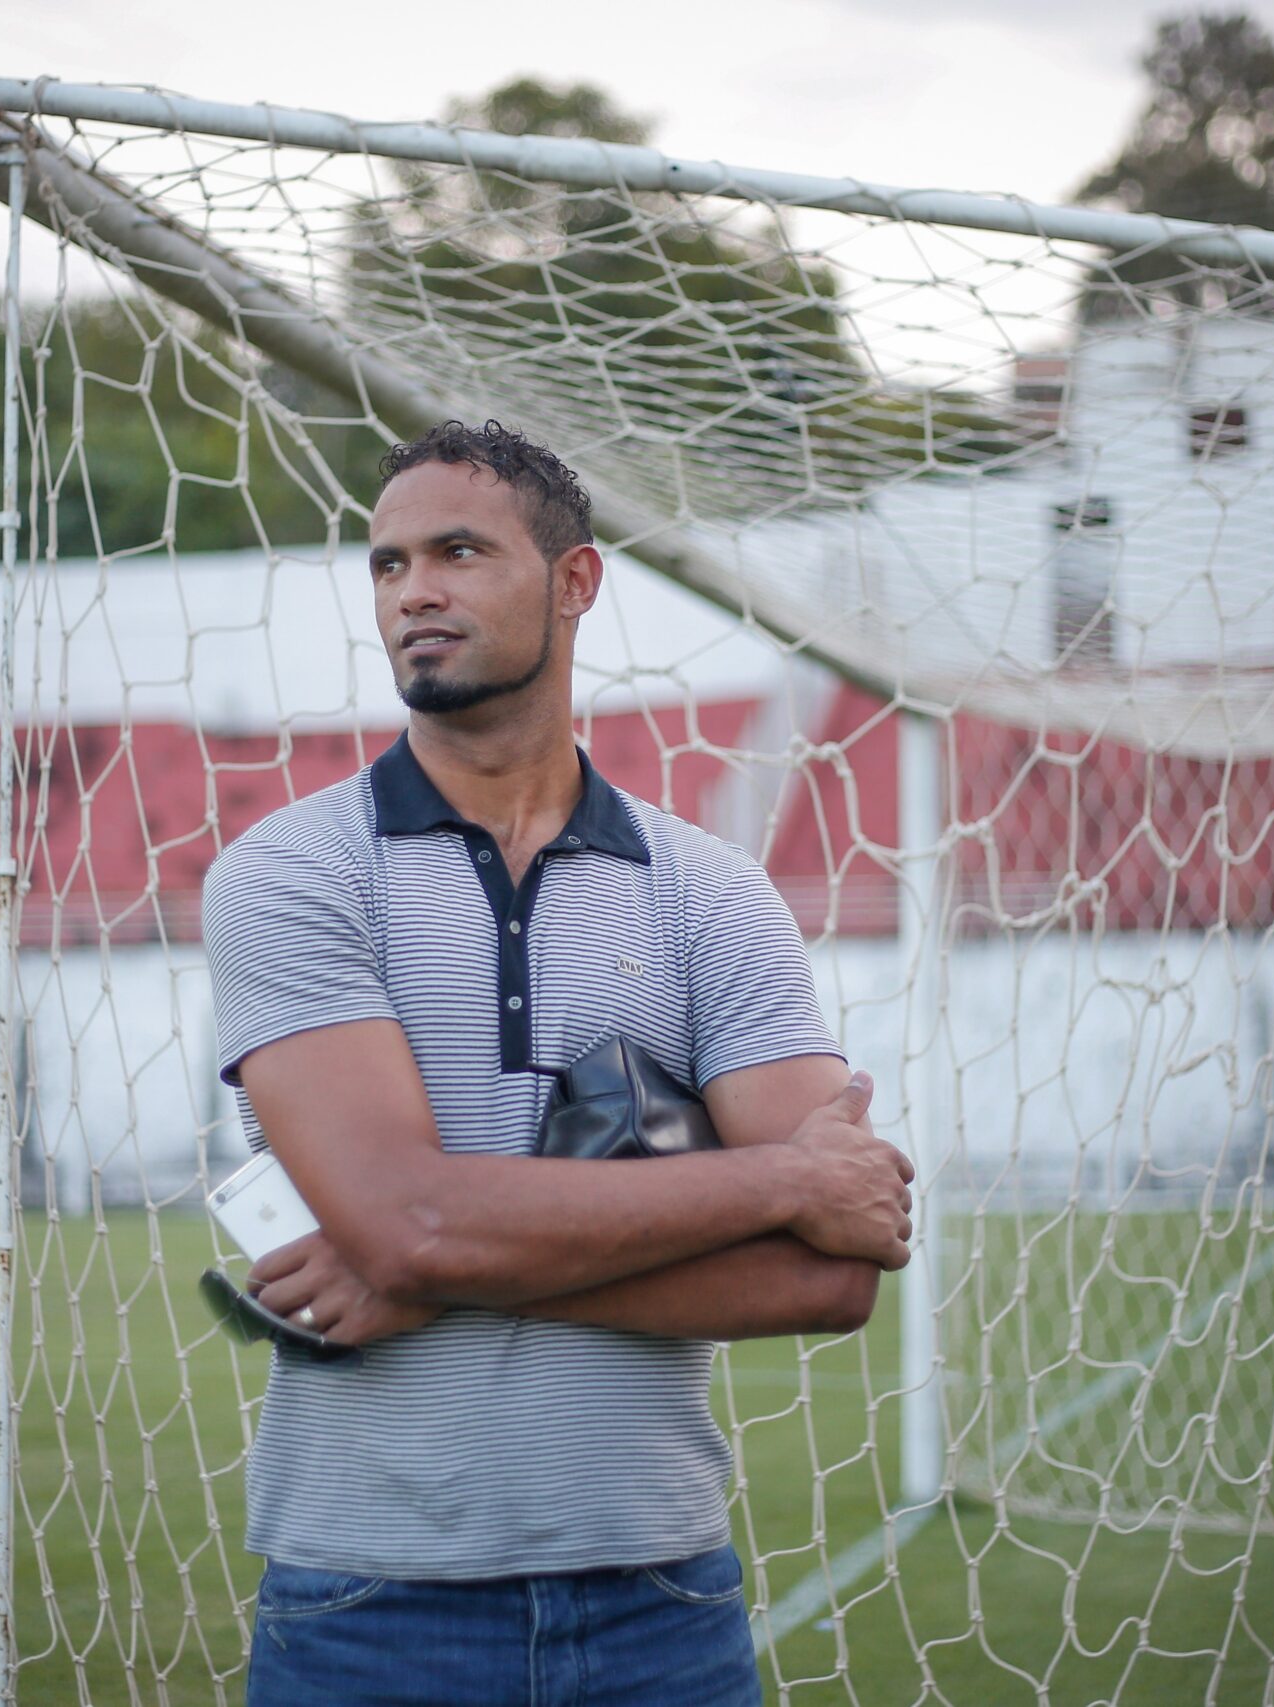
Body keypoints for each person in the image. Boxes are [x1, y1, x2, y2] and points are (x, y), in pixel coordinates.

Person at [202, 420, 915, 1707]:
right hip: (369, 1603)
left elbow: (831, 1277)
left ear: (574, 582)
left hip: (664, 1603)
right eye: (387, 564)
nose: (413, 589)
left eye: (458, 552)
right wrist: (779, 1181)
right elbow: (409, 1224)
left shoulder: (713, 895)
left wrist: (444, 1268)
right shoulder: (291, 873)